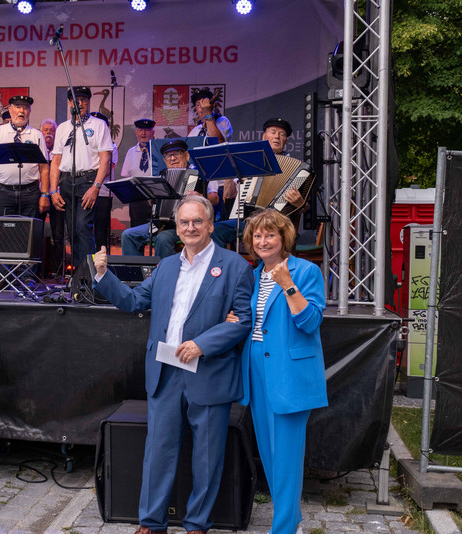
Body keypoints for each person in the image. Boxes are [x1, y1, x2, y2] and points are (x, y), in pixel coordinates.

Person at [92, 194, 253, 534]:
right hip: (165, 373)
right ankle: (152, 523)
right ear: (177, 228)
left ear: (211, 225)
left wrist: (202, 344)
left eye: (197, 221)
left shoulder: (236, 266)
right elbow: (134, 301)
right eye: (184, 222)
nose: (190, 227)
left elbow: (242, 321)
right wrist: (105, 275)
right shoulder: (166, 265)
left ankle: (197, 524)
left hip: (209, 373)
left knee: (207, 458)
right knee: (158, 453)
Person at [236, 209, 327, 534]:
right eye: (257, 236)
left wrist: (288, 285)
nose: (263, 241)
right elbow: (256, 322)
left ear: (283, 238)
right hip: (257, 368)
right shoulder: (254, 274)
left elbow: (311, 322)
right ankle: (293, 520)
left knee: (286, 457)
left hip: (288, 371)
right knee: (271, 456)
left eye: (270, 235)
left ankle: (284, 528)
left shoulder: (305, 271)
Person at [0, 95, 50, 286]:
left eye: (25, 107)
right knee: (2, 234)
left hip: (30, 192)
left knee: (29, 236)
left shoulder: (36, 135)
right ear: (9, 109)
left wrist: (45, 194)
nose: (21, 111)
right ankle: (4, 276)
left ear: (29, 111)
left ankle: (26, 275)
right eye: (18, 107)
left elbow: (44, 167)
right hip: (3, 191)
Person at [211, 118, 304, 249]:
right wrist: (230, 177)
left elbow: (305, 207)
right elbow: (230, 195)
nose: (277, 136)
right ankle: (221, 268)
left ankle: (267, 269)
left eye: (282, 134)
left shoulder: (296, 168)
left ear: (286, 140)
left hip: (278, 224)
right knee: (216, 230)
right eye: (273, 132)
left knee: (267, 235)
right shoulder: (250, 161)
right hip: (248, 221)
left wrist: (300, 203)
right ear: (264, 136)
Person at [120, 139, 219, 258]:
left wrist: (200, 198)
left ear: (187, 155)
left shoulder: (200, 173)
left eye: (176, 154)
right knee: (128, 235)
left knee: (163, 238)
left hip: (186, 224)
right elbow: (155, 205)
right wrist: (152, 200)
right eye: (168, 156)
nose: (173, 159)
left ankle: (164, 274)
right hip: (160, 223)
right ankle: (136, 274)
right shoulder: (161, 177)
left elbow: (215, 198)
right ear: (164, 160)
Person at [49, 86, 113, 270]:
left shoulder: (98, 125)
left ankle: (91, 276)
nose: (81, 103)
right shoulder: (62, 128)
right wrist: (53, 190)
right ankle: (78, 275)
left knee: (83, 227)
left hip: (87, 180)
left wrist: (96, 187)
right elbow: (56, 161)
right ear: (70, 103)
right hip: (67, 182)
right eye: (77, 100)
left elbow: (105, 159)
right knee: (73, 231)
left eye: (85, 99)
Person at [40, 119, 65, 280]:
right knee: (36, 233)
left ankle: (58, 271)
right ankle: (36, 271)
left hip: (57, 196)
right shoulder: (37, 150)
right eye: (45, 129)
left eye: (52, 130)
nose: (49, 132)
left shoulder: (60, 153)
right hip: (40, 196)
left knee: (59, 235)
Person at [89, 111, 118, 252]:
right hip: (85, 192)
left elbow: (107, 168)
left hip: (103, 193)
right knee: (85, 228)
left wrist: (89, 172)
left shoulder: (111, 146)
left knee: (100, 230)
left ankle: (102, 261)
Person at [121, 119, 156, 228]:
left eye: (147, 130)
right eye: (140, 130)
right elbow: (126, 175)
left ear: (153, 133)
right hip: (137, 199)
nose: (143, 133)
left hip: (156, 197)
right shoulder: (131, 152)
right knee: (137, 230)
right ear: (136, 132)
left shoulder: (158, 150)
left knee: (156, 230)